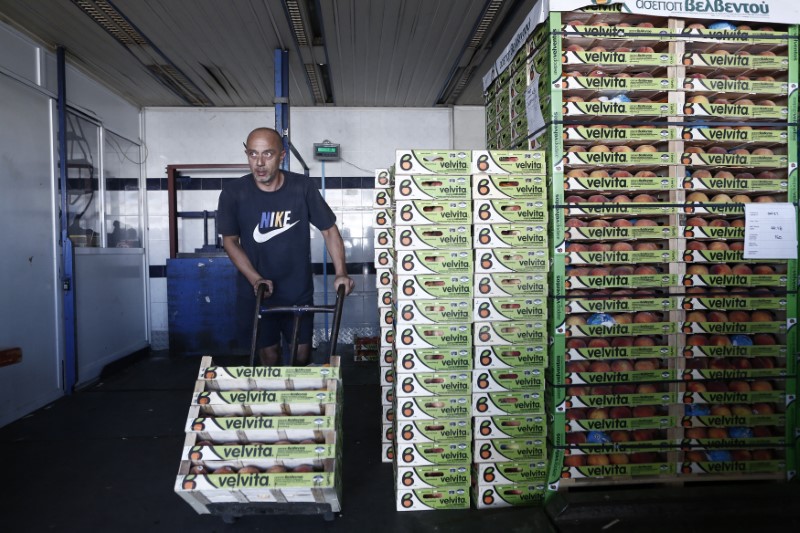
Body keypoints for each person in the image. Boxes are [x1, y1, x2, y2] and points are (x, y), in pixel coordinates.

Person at [217, 127, 354, 366]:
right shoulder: (233, 193)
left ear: (282, 156)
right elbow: (230, 241)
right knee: (269, 357)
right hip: (257, 292)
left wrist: (341, 273)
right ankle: (276, 404)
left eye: (267, 154)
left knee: (301, 355)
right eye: (252, 154)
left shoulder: (302, 188)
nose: (259, 163)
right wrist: (255, 279)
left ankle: (300, 402)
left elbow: (329, 230)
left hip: (297, 291)